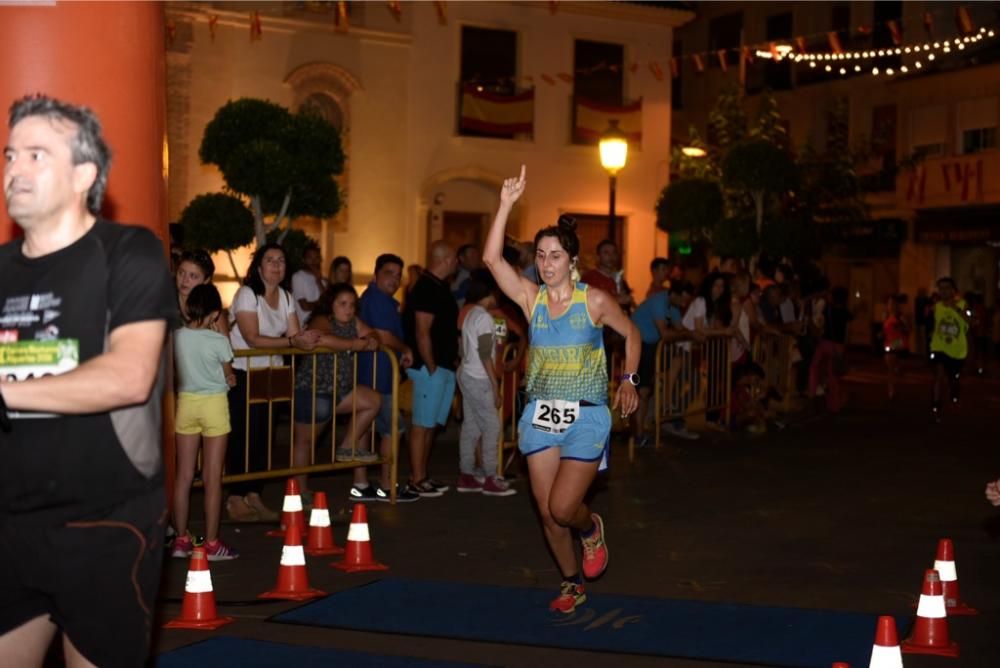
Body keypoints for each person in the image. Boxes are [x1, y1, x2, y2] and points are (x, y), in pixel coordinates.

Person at [0, 94, 177, 667]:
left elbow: (129, 376)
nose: (14, 170)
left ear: (84, 174)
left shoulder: (128, 253)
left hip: (105, 523)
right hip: (9, 523)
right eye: (9, 155)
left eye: (35, 155)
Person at [483, 166, 640, 615]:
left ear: (570, 261)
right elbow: (493, 261)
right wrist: (506, 204)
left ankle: (590, 528)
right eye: (540, 255)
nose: (545, 263)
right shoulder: (530, 299)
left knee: (565, 506)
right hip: (540, 414)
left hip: (587, 414)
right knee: (546, 510)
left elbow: (631, 335)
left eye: (554, 256)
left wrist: (628, 379)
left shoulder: (592, 300)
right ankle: (571, 582)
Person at [226, 243, 320, 522]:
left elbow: (294, 334)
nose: (277, 265)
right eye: (270, 260)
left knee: (264, 436)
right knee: (243, 435)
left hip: (274, 372)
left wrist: (306, 339)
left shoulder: (287, 297)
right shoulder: (247, 295)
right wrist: (293, 341)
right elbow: (252, 338)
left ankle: (254, 494)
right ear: (258, 267)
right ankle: (235, 497)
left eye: (281, 260)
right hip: (245, 372)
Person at [291, 283, 383, 501]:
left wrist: (371, 340)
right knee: (305, 441)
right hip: (314, 389)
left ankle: (347, 446)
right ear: (330, 304)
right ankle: (299, 491)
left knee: (372, 400)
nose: (348, 309)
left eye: (352, 304)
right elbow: (320, 337)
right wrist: (354, 344)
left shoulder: (353, 322)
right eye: (342, 303)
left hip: (341, 389)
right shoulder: (323, 319)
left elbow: (372, 334)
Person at [171, 284, 239, 561]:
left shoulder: (176, 337)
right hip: (214, 407)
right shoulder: (219, 341)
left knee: (184, 476)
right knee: (212, 478)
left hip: (186, 404)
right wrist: (229, 378)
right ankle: (211, 543)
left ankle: (181, 539)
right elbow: (228, 375)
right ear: (214, 314)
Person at [357, 254, 420, 502]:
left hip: (371, 373)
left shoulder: (374, 298)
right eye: (388, 273)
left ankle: (361, 484)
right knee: (393, 429)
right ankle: (386, 485)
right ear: (376, 274)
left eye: (398, 275)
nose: (394, 279)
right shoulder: (379, 300)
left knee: (363, 429)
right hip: (378, 375)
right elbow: (383, 335)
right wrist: (404, 349)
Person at [402, 241, 459, 497]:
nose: (457, 263)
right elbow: (421, 331)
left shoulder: (439, 287)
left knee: (431, 424)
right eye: (455, 258)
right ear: (446, 258)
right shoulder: (426, 287)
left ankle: (422, 475)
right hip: (430, 368)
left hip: (442, 365)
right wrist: (432, 365)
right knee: (421, 424)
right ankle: (416, 478)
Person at [456, 273, 516, 496]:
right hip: (479, 378)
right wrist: (494, 385)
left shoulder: (471, 314)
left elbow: (463, 348)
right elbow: (484, 354)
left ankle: (467, 475)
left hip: (466, 373)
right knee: (492, 427)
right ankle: (491, 477)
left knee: (471, 426)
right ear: (490, 294)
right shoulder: (485, 318)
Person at [630, 281, 692, 446]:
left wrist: (690, 333)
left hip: (651, 345)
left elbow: (679, 328)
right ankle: (637, 434)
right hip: (638, 344)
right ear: (674, 295)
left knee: (677, 360)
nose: (684, 304)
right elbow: (666, 333)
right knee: (642, 391)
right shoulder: (659, 302)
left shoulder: (674, 306)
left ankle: (664, 402)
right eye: (683, 300)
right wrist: (690, 334)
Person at [929, 277, 969, 423]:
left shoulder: (962, 304)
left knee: (954, 378)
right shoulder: (937, 306)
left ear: (953, 290)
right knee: (938, 376)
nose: (943, 291)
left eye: (947, 288)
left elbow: (971, 321)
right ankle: (936, 406)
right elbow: (933, 323)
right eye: (941, 288)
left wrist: (956, 308)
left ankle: (954, 391)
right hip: (939, 347)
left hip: (957, 350)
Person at [808, 286, 852, 414]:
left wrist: (822, 293)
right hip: (838, 346)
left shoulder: (828, 309)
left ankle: (811, 393)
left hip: (824, 343)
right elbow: (847, 333)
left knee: (814, 367)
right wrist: (844, 348)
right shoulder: (846, 313)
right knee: (833, 375)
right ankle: (834, 405)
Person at [291, 241, 327, 327]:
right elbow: (305, 306)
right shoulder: (298, 277)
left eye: (316, 258)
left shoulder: (323, 281)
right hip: (303, 327)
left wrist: (319, 281)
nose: (313, 261)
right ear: (303, 260)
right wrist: (320, 304)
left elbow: (327, 303)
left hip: (321, 327)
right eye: (310, 258)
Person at [882, 294, 909, 401]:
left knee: (897, 368)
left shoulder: (900, 317)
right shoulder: (885, 316)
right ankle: (891, 390)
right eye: (889, 303)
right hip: (889, 344)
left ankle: (898, 373)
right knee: (890, 369)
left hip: (899, 344)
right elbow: (884, 330)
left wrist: (901, 327)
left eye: (893, 303)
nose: (891, 306)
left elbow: (907, 330)